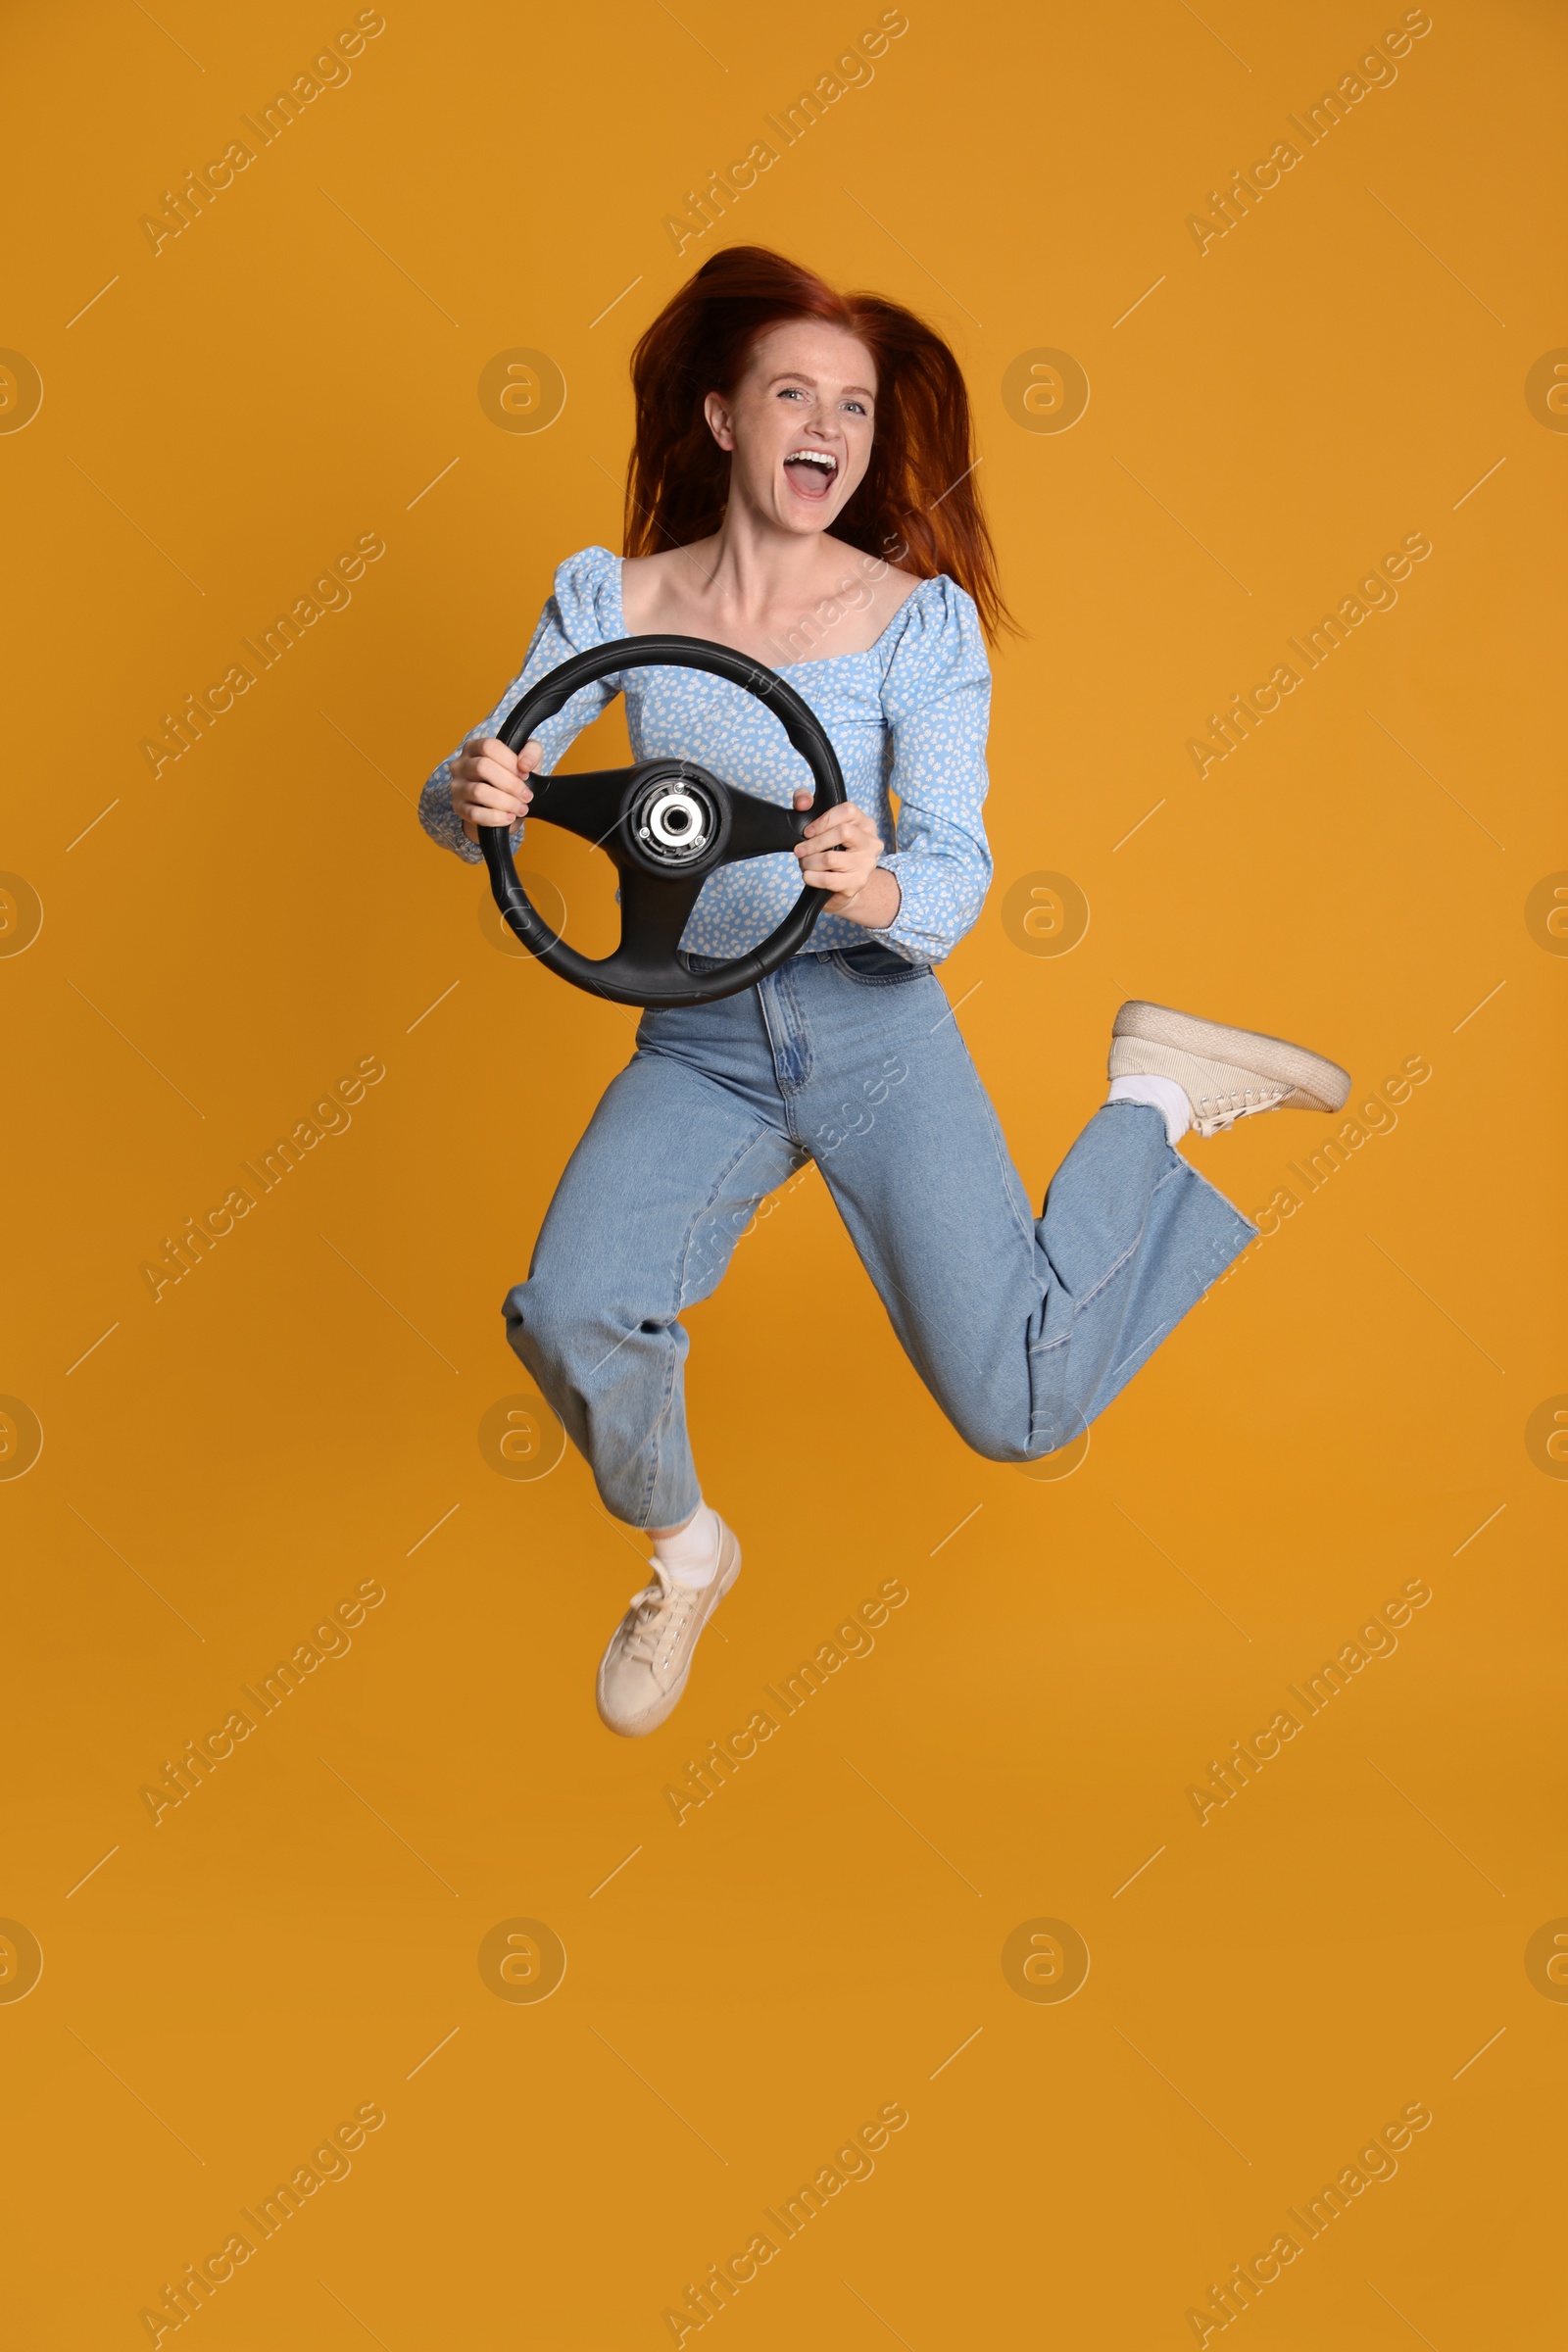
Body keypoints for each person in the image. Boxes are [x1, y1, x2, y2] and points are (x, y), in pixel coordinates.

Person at [418, 246, 1348, 1740]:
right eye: (795, 392)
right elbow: (470, 789)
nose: (829, 430)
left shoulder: (919, 623)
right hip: (702, 1042)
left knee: (1022, 1412)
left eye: (852, 407)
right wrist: (479, 793)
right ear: (723, 418)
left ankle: (1156, 1098)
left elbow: (960, 873)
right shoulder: (614, 596)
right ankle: (687, 1552)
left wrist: (867, 878)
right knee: (574, 1307)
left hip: (866, 1022)